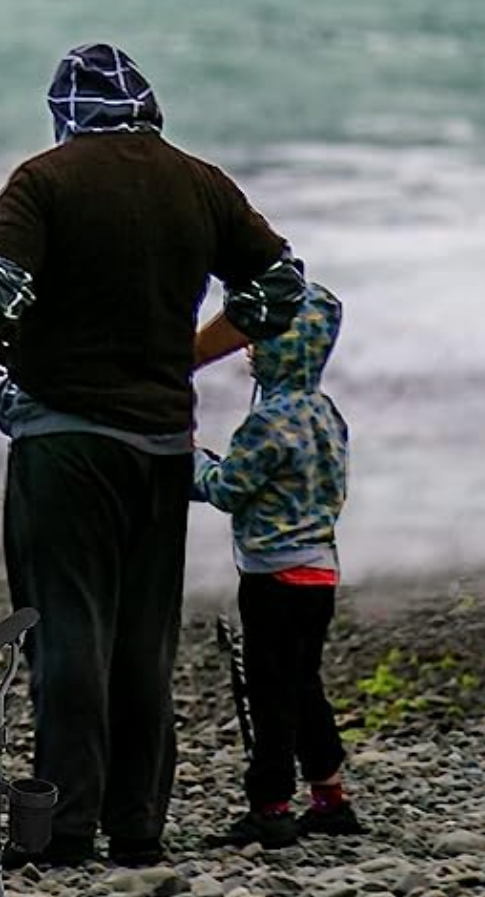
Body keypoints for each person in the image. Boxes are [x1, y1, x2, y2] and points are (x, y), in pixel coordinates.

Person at [0, 43, 306, 871]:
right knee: (143, 639)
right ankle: (138, 827)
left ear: (64, 115)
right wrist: (188, 354)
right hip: (162, 446)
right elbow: (281, 290)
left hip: (65, 447)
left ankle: (67, 827)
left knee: (69, 632)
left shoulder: (46, 180)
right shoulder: (201, 183)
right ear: (147, 111)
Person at [192, 281, 363, 848]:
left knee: (269, 691)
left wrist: (189, 461)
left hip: (273, 577)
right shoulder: (326, 414)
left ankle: (269, 806)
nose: (248, 349)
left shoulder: (267, 422)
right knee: (304, 682)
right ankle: (330, 796)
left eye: (259, 340)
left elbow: (226, 491)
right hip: (321, 572)